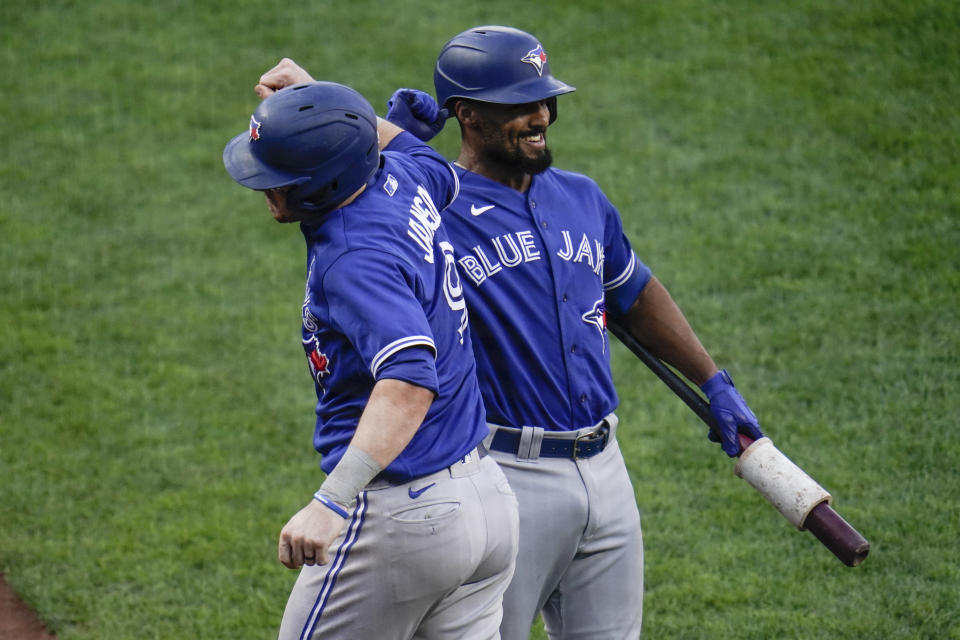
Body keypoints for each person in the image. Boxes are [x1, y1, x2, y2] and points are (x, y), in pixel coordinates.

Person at [256, 25, 764, 639]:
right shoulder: (433, 203)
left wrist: (713, 381)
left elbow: (633, 292)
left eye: (545, 100)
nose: (541, 115)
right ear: (466, 114)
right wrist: (320, 101)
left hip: (605, 466)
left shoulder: (581, 197)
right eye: (520, 105)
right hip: (506, 470)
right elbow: (362, 166)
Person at [223, 80, 519, 639]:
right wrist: (317, 95)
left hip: (402, 519)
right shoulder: (400, 176)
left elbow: (408, 380)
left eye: (277, 178)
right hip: (487, 503)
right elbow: (424, 156)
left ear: (319, 185)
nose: (263, 189)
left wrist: (331, 503)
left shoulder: (354, 257)